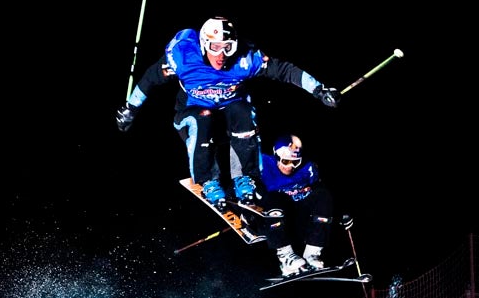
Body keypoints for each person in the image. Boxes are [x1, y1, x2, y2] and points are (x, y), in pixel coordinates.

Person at [115, 16, 340, 210]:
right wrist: (131, 109)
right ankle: (208, 180)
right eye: (215, 47)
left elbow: (283, 70)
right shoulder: (183, 59)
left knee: (242, 110)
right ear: (204, 45)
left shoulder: (245, 60)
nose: (221, 55)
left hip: (231, 120)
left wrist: (318, 89)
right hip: (193, 115)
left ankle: (245, 178)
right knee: (202, 117)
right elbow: (151, 78)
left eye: (228, 47)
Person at [258, 134, 336, 276]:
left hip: (299, 216)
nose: (290, 166)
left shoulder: (308, 167)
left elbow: (320, 191)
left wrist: (341, 213)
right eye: (286, 161)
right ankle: (286, 257)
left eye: (295, 162)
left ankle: (312, 253)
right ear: (276, 156)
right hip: (274, 217)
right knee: (272, 198)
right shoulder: (263, 164)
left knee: (323, 195)